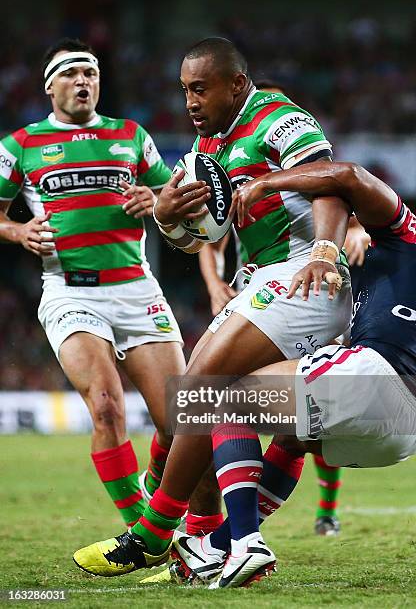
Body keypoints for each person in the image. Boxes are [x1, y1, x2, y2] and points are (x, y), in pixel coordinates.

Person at [72, 36, 353, 576]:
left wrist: (324, 252)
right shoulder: (207, 152)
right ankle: (215, 543)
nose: (191, 102)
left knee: (200, 387)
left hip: (304, 278)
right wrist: (167, 216)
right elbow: (197, 238)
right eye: (184, 92)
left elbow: (330, 187)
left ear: (237, 85)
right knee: (233, 411)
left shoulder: (279, 119)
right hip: (261, 283)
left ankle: (153, 533)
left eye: (201, 89)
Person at [75, 160, 416, 587]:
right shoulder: (376, 264)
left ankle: (243, 541)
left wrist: (267, 182)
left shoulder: (403, 234)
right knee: (292, 441)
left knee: (218, 398)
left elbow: (346, 177)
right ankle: (215, 546)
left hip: (373, 376)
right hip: (403, 434)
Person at [0, 37, 188, 529]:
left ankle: (152, 481)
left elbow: (169, 191)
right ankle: (143, 533)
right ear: (49, 86)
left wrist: (155, 198)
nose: (83, 81)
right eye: (71, 73)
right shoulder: (19, 145)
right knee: (106, 407)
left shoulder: (132, 134)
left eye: (91, 73)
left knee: (179, 419)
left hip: (136, 288)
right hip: (70, 290)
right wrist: (17, 229)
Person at [198, 78, 350, 536]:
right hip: (257, 290)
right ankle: (204, 531)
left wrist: (338, 244)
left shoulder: (300, 160)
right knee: (209, 400)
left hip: (303, 288)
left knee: (289, 425)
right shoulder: (232, 164)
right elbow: (209, 236)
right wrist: (212, 282)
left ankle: (211, 535)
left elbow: (342, 197)